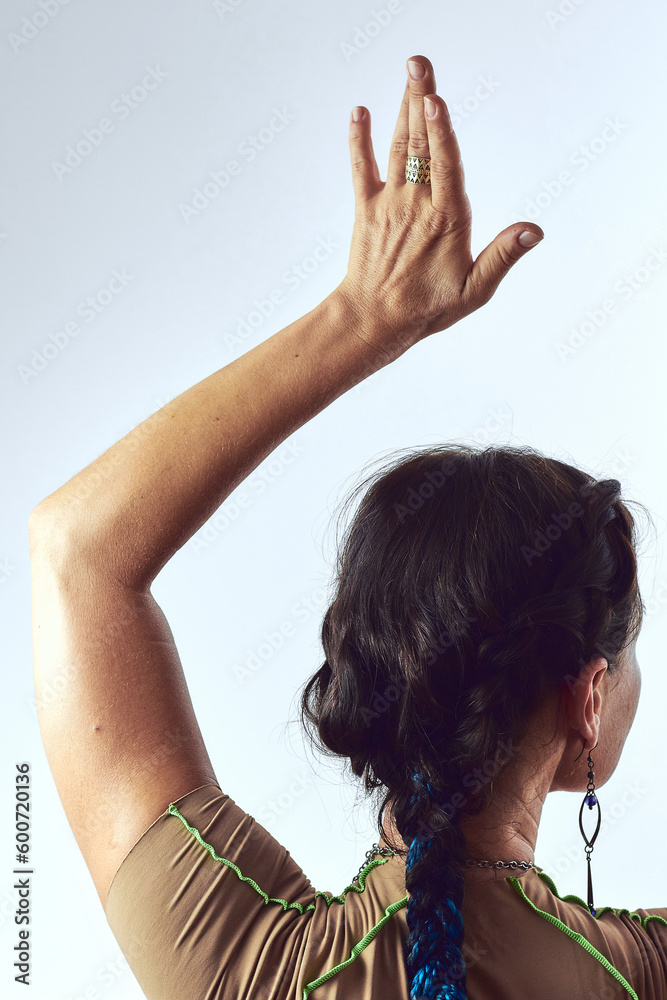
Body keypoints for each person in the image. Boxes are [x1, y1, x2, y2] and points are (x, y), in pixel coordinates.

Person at [28, 53, 666, 1000]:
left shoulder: (243, 964)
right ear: (584, 697)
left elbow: (74, 551)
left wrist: (362, 318)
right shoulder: (637, 975)